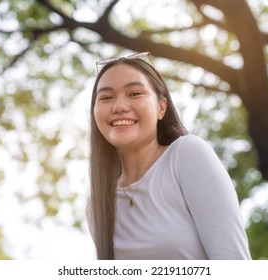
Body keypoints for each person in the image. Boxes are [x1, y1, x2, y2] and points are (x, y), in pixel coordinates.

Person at [88, 52, 251, 260]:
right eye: (106, 97)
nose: (118, 106)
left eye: (135, 93)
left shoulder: (187, 155)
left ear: (161, 107)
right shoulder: (98, 204)